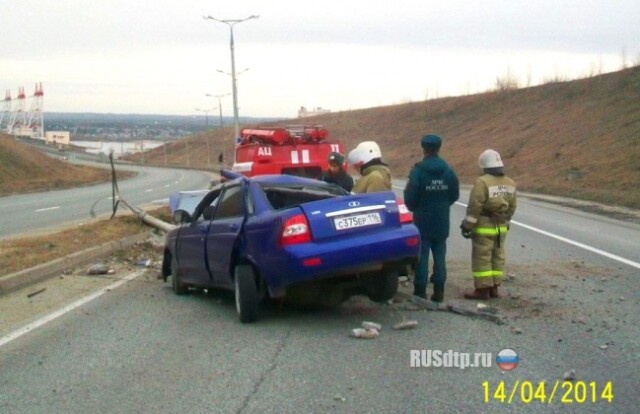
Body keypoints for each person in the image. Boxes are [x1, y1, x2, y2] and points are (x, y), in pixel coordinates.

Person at [403, 134, 460, 302]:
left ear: (424, 148)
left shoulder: (418, 171)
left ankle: (420, 290)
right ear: (439, 148)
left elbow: (410, 196)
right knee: (440, 254)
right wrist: (442, 205)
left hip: (422, 219)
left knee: (422, 255)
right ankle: (439, 290)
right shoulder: (448, 170)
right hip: (442, 219)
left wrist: (416, 208)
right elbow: (454, 194)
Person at [460, 149, 517, 300]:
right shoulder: (510, 183)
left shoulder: (482, 182)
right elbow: (512, 207)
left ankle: (482, 290)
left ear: (484, 166)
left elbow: (475, 206)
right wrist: (506, 220)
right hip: (501, 226)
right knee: (498, 255)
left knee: (482, 256)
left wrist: (467, 225)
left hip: (485, 224)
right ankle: (494, 288)